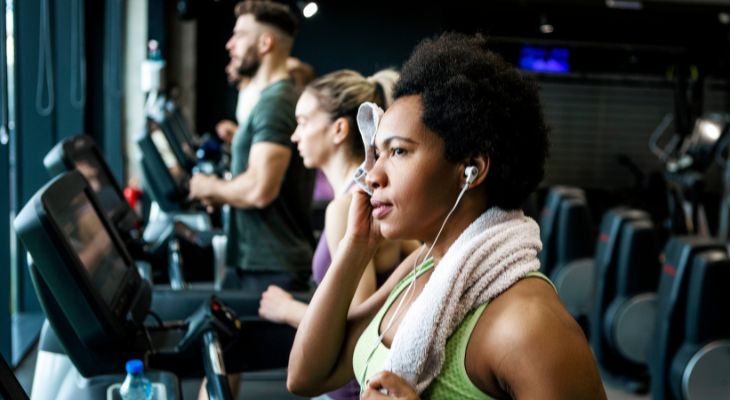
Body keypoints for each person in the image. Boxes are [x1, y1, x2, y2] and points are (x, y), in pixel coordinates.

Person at [287, 33, 607, 399]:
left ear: (470, 169)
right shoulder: (421, 267)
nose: (373, 174)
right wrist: (355, 246)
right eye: (377, 153)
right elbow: (306, 376)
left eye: (399, 152)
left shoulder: (528, 324)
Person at [258, 69, 419, 400]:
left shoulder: (347, 208)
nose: (294, 136)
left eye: (303, 122)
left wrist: (287, 309)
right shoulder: (365, 201)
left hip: (348, 388)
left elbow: (357, 330)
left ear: (339, 129)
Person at [189, 0, 315, 293]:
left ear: (265, 43)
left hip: (271, 267)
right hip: (258, 264)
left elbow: (260, 188)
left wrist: (208, 187)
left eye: (240, 35)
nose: (230, 45)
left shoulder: (275, 102)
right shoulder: (270, 99)